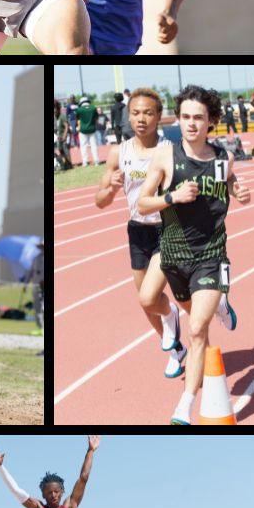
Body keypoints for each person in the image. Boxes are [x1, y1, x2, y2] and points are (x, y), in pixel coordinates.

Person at [138, 85, 250, 426]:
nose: (191, 124)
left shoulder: (222, 158)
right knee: (146, 298)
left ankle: (183, 406)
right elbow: (143, 204)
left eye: (198, 118)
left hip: (211, 255)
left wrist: (240, 191)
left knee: (198, 329)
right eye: (185, 117)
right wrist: (172, 197)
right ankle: (217, 304)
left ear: (211, 121)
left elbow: (232, 184)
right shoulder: (165, 156)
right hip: (173, 253)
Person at [93, 89, 185, 379]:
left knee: (150, 298)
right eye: (135, 113)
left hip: (167, 228)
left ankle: (172, 318)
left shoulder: (172, 149)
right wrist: (111, 187)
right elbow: (100, 201)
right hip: (137, 231)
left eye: (147, 112)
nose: (141, 118)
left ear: (159, 116)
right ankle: (174, 349)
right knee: (145, 303)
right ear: (128, 116)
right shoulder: (118, 153)